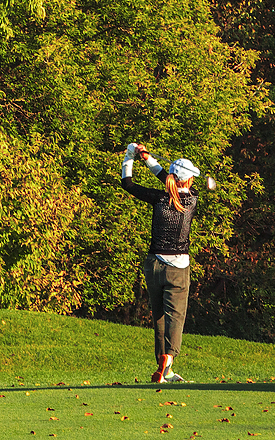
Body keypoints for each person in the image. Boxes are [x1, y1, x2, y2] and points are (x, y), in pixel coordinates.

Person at [121, 141, 201, 383]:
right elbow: (168, 178)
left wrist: (132, 156)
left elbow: (128, 184)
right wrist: (147, 158)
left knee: (158, 316)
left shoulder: (158, 198)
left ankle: (163, 368)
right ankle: (169, 358)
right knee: (175, 317)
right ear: (188, 181)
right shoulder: (192, 200)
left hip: (154, 265)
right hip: (178, 268)